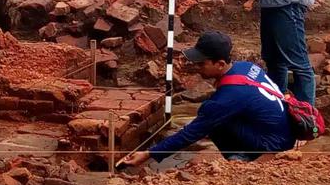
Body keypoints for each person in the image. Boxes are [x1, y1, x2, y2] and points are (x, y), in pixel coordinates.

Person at [121, 31, 296, 168]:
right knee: (212, 114)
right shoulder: (246, 67)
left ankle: (244, 161)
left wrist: (150, 154)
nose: (196, 67)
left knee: (211, 120)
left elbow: (190, 133)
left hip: (274, 144)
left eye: (201, 63)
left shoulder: (228, 98)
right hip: (283, 132)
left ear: (220, 64)